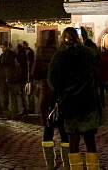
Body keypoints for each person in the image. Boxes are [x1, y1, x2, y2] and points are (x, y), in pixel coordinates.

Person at [48, 27, 104, 170]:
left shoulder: (59, 56)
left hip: (70, 103)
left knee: (73, 139)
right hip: (88, 102)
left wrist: (61, 91)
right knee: (90, 139)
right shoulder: (88, 53)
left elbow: (52, 81)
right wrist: (88, 41)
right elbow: (98, 56)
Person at [33, 30, 69, 169]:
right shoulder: (61, 53)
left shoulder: (40, 52)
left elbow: (35, 74)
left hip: (45, 93)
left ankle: (50, 164)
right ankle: (66, 164)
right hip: (60, 95)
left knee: (47, 129)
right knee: (64, 130)